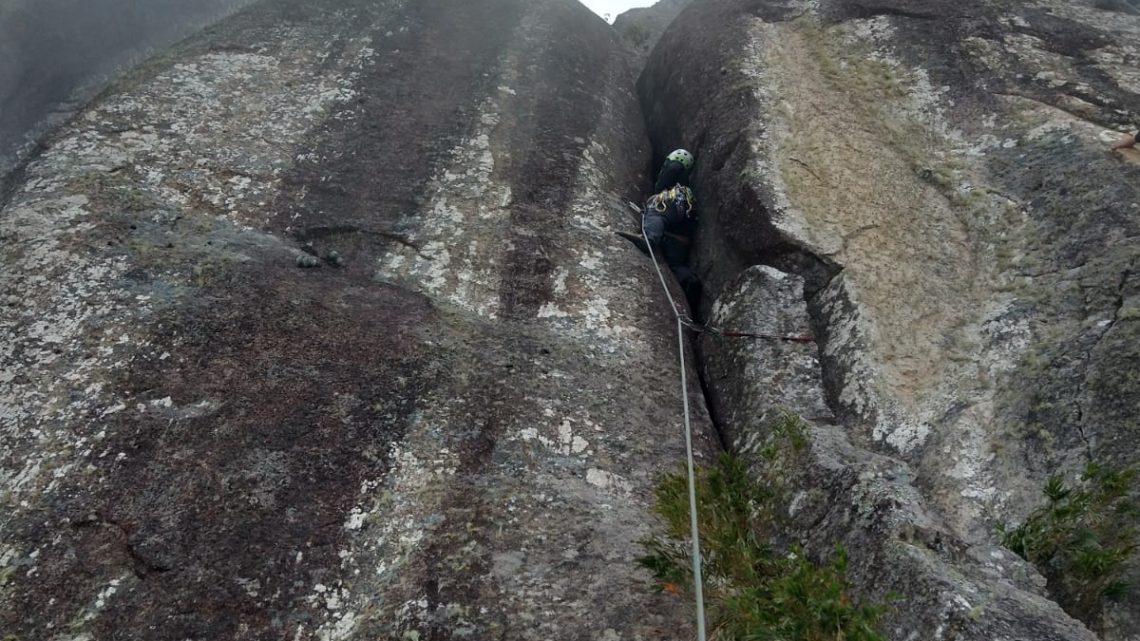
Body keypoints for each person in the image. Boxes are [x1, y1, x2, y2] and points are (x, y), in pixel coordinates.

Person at [617, 148, 703, 315]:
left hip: (673, 200)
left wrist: (658, 191)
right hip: (679, 238)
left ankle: (649, 239)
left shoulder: (675, 166)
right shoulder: (686, 187)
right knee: (676, 267)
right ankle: (690, 286)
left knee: (656, 211)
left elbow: (671, 171)